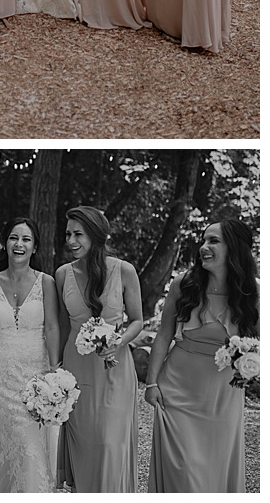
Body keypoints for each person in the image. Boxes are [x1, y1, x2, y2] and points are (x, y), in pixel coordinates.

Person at [146, 219, 258, 493]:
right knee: (183, 469)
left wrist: (252, 365)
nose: (204, 247)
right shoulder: (183, 283)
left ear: (234, 248)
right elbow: (163, 335)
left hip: (222, 394)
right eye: (203, 240)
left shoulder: (254, 290)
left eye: (213, 241)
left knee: (213, 467)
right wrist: (151, 383)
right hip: (178, 387)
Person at [0, 217, 60, 491]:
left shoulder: (47, 282)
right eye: (14, 238)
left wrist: (55, 372)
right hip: (0, 376)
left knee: (31, 441)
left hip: (36, 376)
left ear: (34, 247)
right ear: (5, 244)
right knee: (12, 441)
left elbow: (51, 328)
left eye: (26, 239)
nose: (19, 244)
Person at [55, 205, 144, 492]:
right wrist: (55, 370)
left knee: (109, 442)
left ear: (96, 235)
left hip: (114, 368)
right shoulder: (62, 274)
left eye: (78, 234)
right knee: (83, 442)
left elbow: (138, 321)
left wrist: (118, 341)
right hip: (76, 369)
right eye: (68, 234)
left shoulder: (124, 271)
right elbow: (63, 326)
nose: (71, 241)